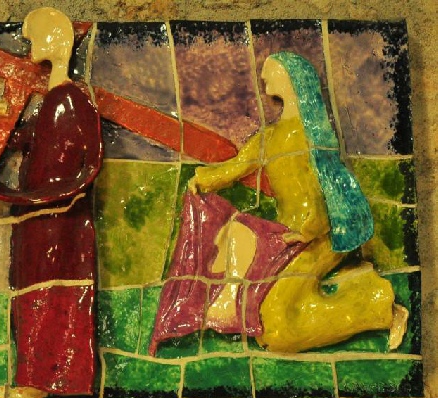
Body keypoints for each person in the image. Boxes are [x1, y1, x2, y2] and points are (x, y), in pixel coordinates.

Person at [150, 51, 407, 355]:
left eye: (271, 71)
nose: (263, 77)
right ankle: (356, 286)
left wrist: (312, 226)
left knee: (278, 331)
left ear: (290, 78)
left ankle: (379, 305)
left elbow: (326, 182)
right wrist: (203, 179)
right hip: (284, 237)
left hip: (320, 238)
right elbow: (237, 167)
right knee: (261, 303)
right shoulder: (269, 136)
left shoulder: (313, 135)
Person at [0, 7, 103, 398]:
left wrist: (4, 191)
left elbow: (86, 171)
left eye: (36, 38)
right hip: (37, 226)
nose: (30, 47)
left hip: (62, 228)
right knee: (30, 300)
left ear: (57, 41)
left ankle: (46, 382)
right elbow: (27, 141)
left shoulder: (73, 100)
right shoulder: (55, 101)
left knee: (55, 300)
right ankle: (31, 379)